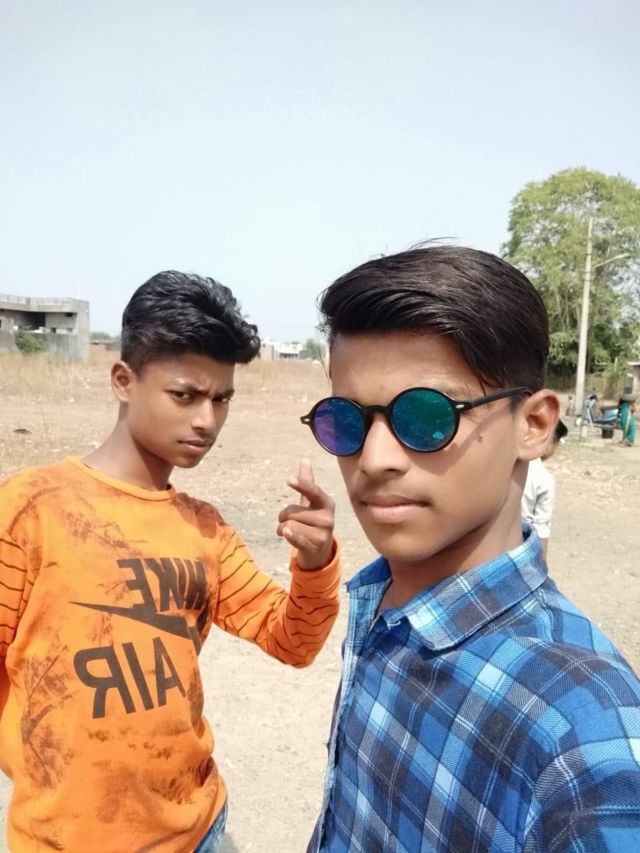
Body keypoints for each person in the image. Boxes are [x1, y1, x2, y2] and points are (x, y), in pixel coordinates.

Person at [300, 246, 640, 852]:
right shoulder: (383, 604)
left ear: (534, 425)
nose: (374, 460)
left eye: (426, 417)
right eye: (345, 421)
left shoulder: (584, 739)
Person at [0, 271, 341, 853]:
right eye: (185, 395)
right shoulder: (33, 506)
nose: (207, 420)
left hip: (197, 831)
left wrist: (316, 563)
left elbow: (293, 642)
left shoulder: (205, 529)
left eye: (221, 399)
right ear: (123, 381)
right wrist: (43, 771)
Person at [521, 419, 568, 557]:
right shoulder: (544, 478)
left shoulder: (507, 463)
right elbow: (541, 527)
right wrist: (541, 563)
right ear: (549, 441)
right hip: (521, 546)